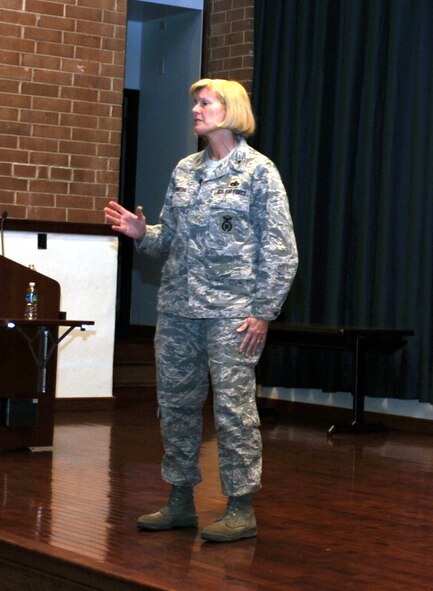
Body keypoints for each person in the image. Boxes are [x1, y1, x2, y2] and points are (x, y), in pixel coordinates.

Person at [105, 78, 298, 543]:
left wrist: (264, 312)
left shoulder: (258, 171)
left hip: (234, 314)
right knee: (175, 407)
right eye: (195, 102)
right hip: (177, 309)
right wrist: (141, 232)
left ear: (230, 109)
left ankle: (240, 506)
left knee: (233, 410)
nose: (195, 109)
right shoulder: (185, 170)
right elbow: (167, 238)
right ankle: (180, 500)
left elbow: (281, 249)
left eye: (205, 102)